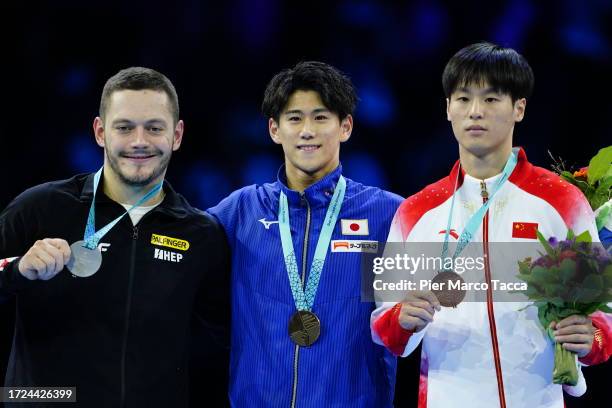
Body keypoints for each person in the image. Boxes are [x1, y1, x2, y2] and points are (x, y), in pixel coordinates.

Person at [370, 42, 612, 408]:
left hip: (537, 398)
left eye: (491, 99)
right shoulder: (416, 211)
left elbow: (601, 315)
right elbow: (384, 324)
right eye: (463, 99)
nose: (475, 112)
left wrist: (591, 336)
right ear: (447, 109)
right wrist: (402, 319)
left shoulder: (561, 201)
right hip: (447, 396)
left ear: (519, 108)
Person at [0, 67, 230, 407]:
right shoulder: (40, 208)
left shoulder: (201, 235)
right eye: (125, 127)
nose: (139, 141)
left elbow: (228, 339)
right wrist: (17, 270)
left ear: (177, 135)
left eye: (154, 128)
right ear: (100, 131)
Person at [207, 61, 402, 407]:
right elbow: (174, 246)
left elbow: (460, 282)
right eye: (294, 118)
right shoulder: (242, 212)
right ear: (274, 129)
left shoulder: (387, 215)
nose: (307, 130)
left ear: (345, 127)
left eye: (321, 117)